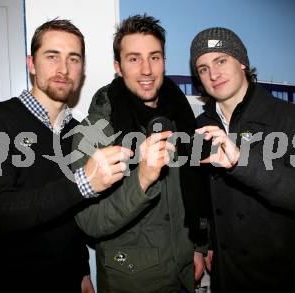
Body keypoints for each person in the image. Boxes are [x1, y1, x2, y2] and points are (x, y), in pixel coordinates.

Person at [0, 19, 132, 292]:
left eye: (73, 59)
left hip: (67, 281)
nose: (63, 69)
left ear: (82, 71)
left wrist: (81, 270)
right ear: (32, 64)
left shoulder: (79, 133)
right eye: (52, 56)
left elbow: (73, 215)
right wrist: (82, 183)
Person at [190, 27, 295, 292]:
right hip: (228, 277)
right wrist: (206, 244)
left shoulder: (292, 118)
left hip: (281, 278)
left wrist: (242, 160)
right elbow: (201, 199)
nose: (213, 74)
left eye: (221, 60)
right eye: (203, 68)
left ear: (242, 62)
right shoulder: (201, 126)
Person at [71, 15, 210, 293]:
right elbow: (89, 223)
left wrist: (196, 247)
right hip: (132, 282)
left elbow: (192, 192)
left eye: (154, 57)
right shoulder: (93, 132)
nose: (146, 69)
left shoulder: (181, 117)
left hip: (183, 274)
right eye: (134, 59)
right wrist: (142, 180)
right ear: (118, 67)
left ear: (164, 62)